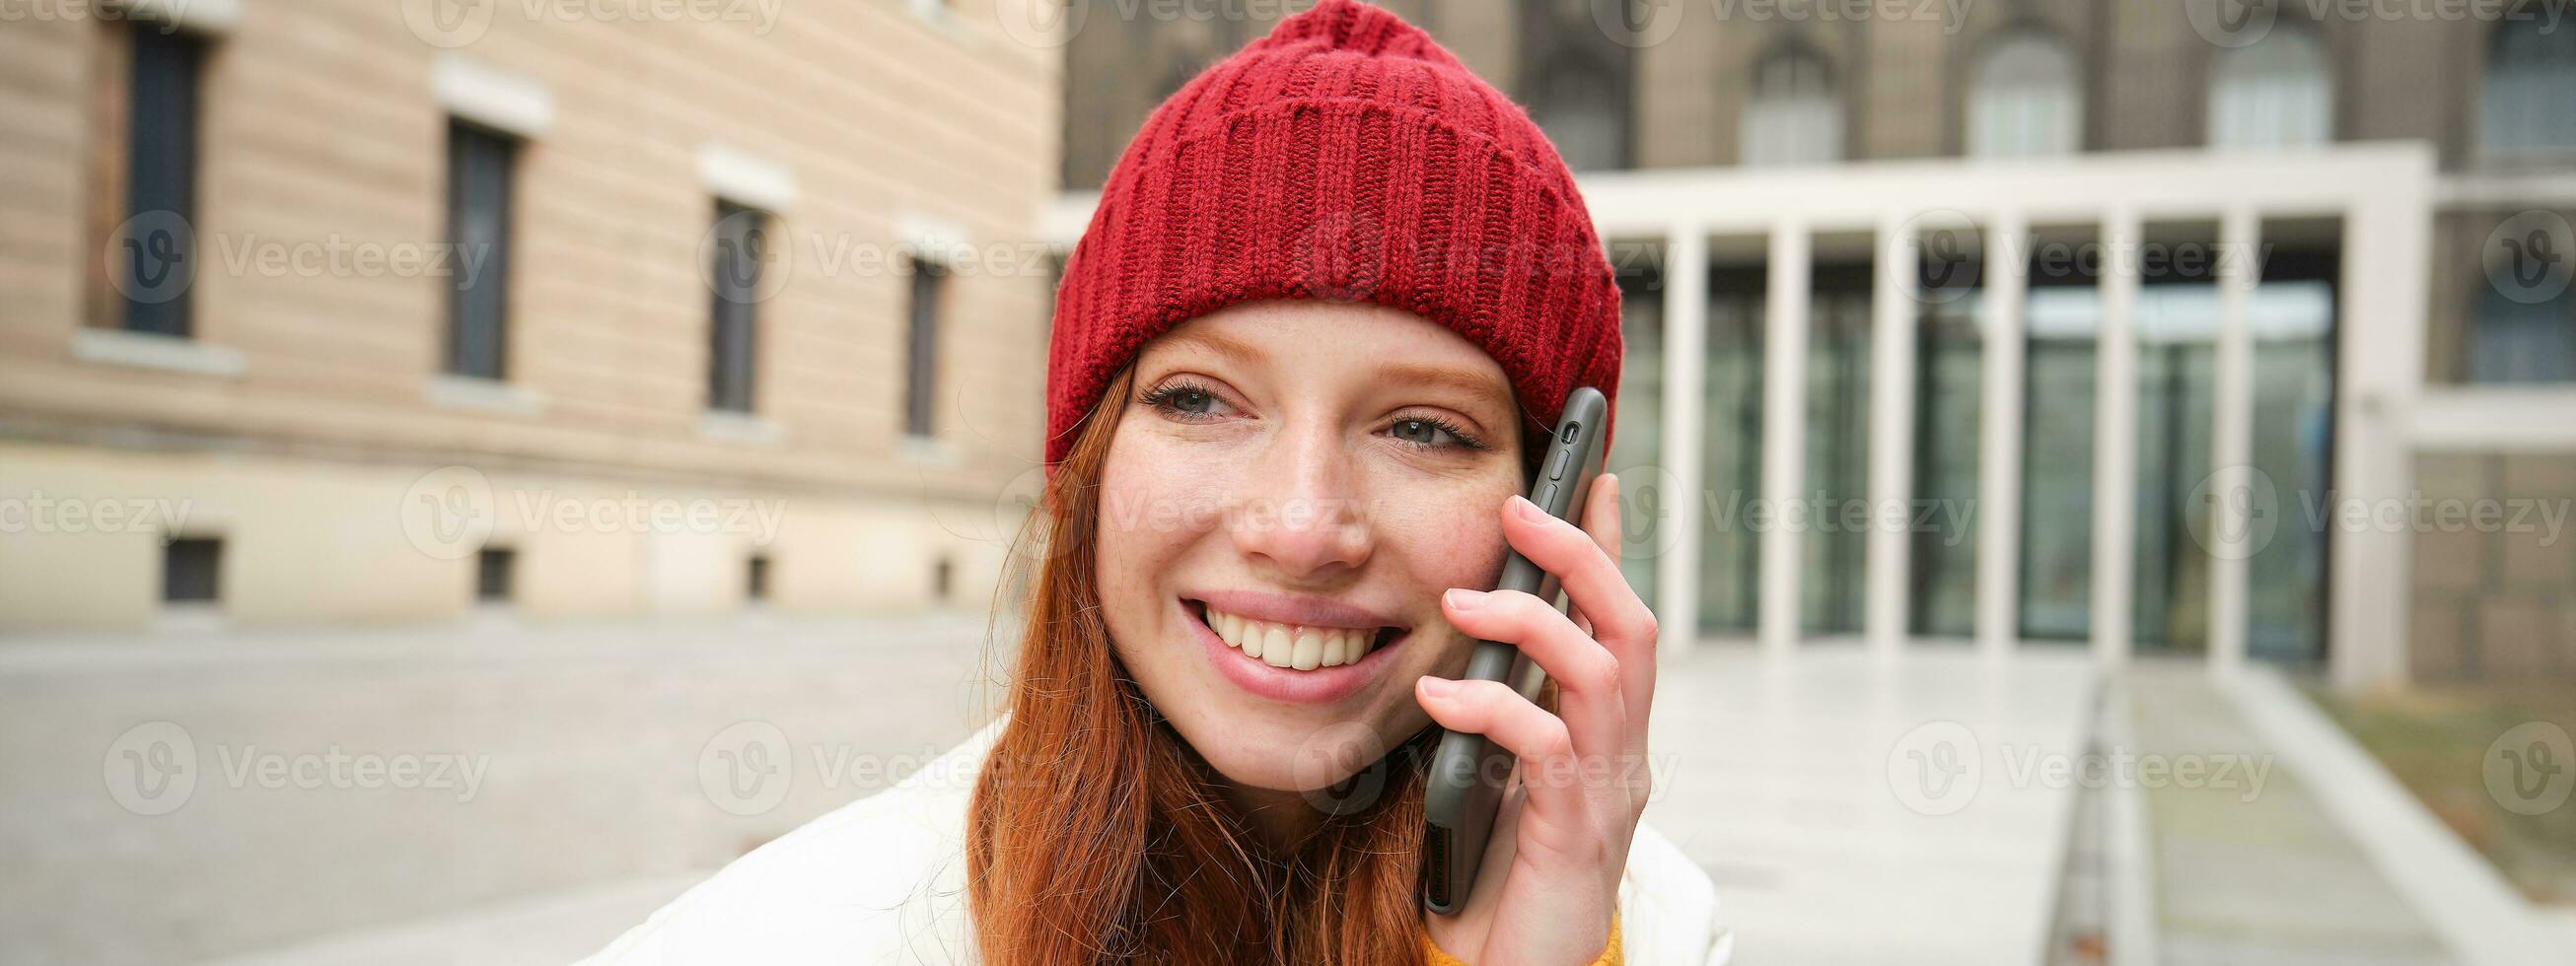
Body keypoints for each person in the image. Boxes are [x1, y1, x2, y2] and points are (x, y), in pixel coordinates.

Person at [582, 1, 1728, 962]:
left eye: (1421, 428)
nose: (1298, 524)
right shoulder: (783, 937)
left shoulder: (1645, 928)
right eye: (1198, 400)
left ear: (1556, 511)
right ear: (1084, 462)